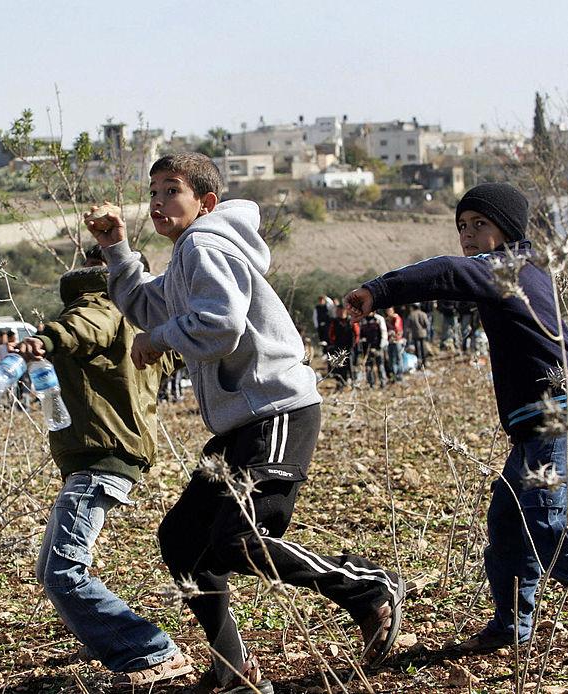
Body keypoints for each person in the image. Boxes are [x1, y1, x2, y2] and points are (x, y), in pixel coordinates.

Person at [88, 152, 405, 693]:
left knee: (237, 538)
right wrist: (116, 247)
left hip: (276, 410)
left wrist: (158, 340)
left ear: (206, 203)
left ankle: (369, 589)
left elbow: (220, 325)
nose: (159, 202)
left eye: (172, 191)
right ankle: (233, 665)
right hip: (243, 423)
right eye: (154, 192)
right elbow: (147, 305)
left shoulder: (203, 244)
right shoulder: (191, 257)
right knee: (182, 539)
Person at [345, 182, 568, 658]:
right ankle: (510, 626)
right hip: (536, 423)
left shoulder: (508, 268)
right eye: (462, 226)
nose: (469, 235)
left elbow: (444, 272)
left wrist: (378, 291)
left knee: (543, 522)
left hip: (562, 415)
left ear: (509, 230)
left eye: (481, 224)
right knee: (507, 522)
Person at [12, 245, 193, 687]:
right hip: (109, 455)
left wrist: (50, 337)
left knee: (62, 571)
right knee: (52, 570)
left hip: (100, 456)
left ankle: (152, 651)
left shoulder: (103, 301)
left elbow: (86, 325)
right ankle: (123, 641)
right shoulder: (149, 319)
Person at [405, 303, 430, 370]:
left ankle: (419, 364)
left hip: (415, 334)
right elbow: (426, 324)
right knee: (423, 349)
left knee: (417, 350)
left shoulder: (411, 315)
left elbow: (408, 326)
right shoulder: (423, 314)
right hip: (423, 333)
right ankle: (425, 362)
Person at [384, 307, 404, 383]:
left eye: (390, 311)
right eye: (387, 311)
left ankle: (400, 375)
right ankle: (394, 376)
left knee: (399, 358)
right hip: (390, 341)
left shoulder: (397, 318)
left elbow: (397, 328)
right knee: (391, 359)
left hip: (397, 341)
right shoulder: (386, 320)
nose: (389, 312)